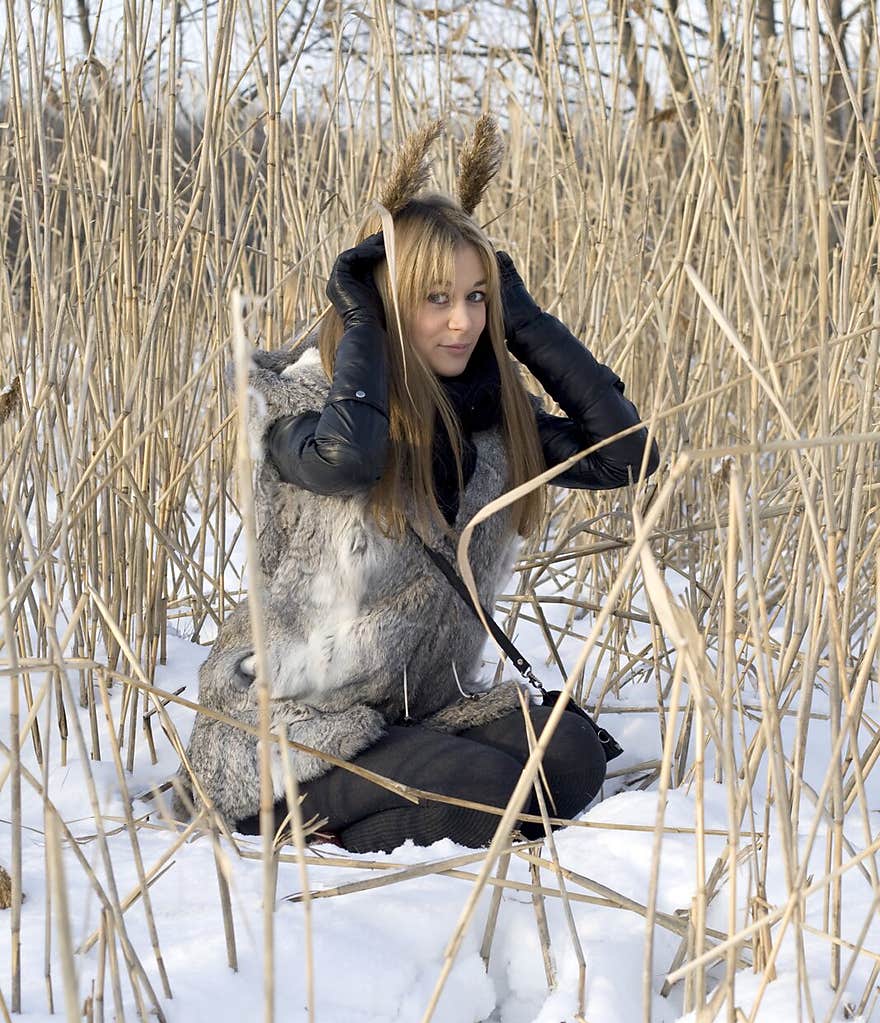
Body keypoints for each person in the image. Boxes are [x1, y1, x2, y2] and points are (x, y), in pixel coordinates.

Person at [176, 118, 659, 852]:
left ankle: (424, 807)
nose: (463, 322)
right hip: (293, 729)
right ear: (389, 303)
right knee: (496, 795)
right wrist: (360, 311)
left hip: (417, 713)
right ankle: (295, 823)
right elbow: (351, 459)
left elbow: (626, 453)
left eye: (477, 297)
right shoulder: (296, 412)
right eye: (435, 299)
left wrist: (523, 321)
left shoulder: (491, 420)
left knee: (569, 756)